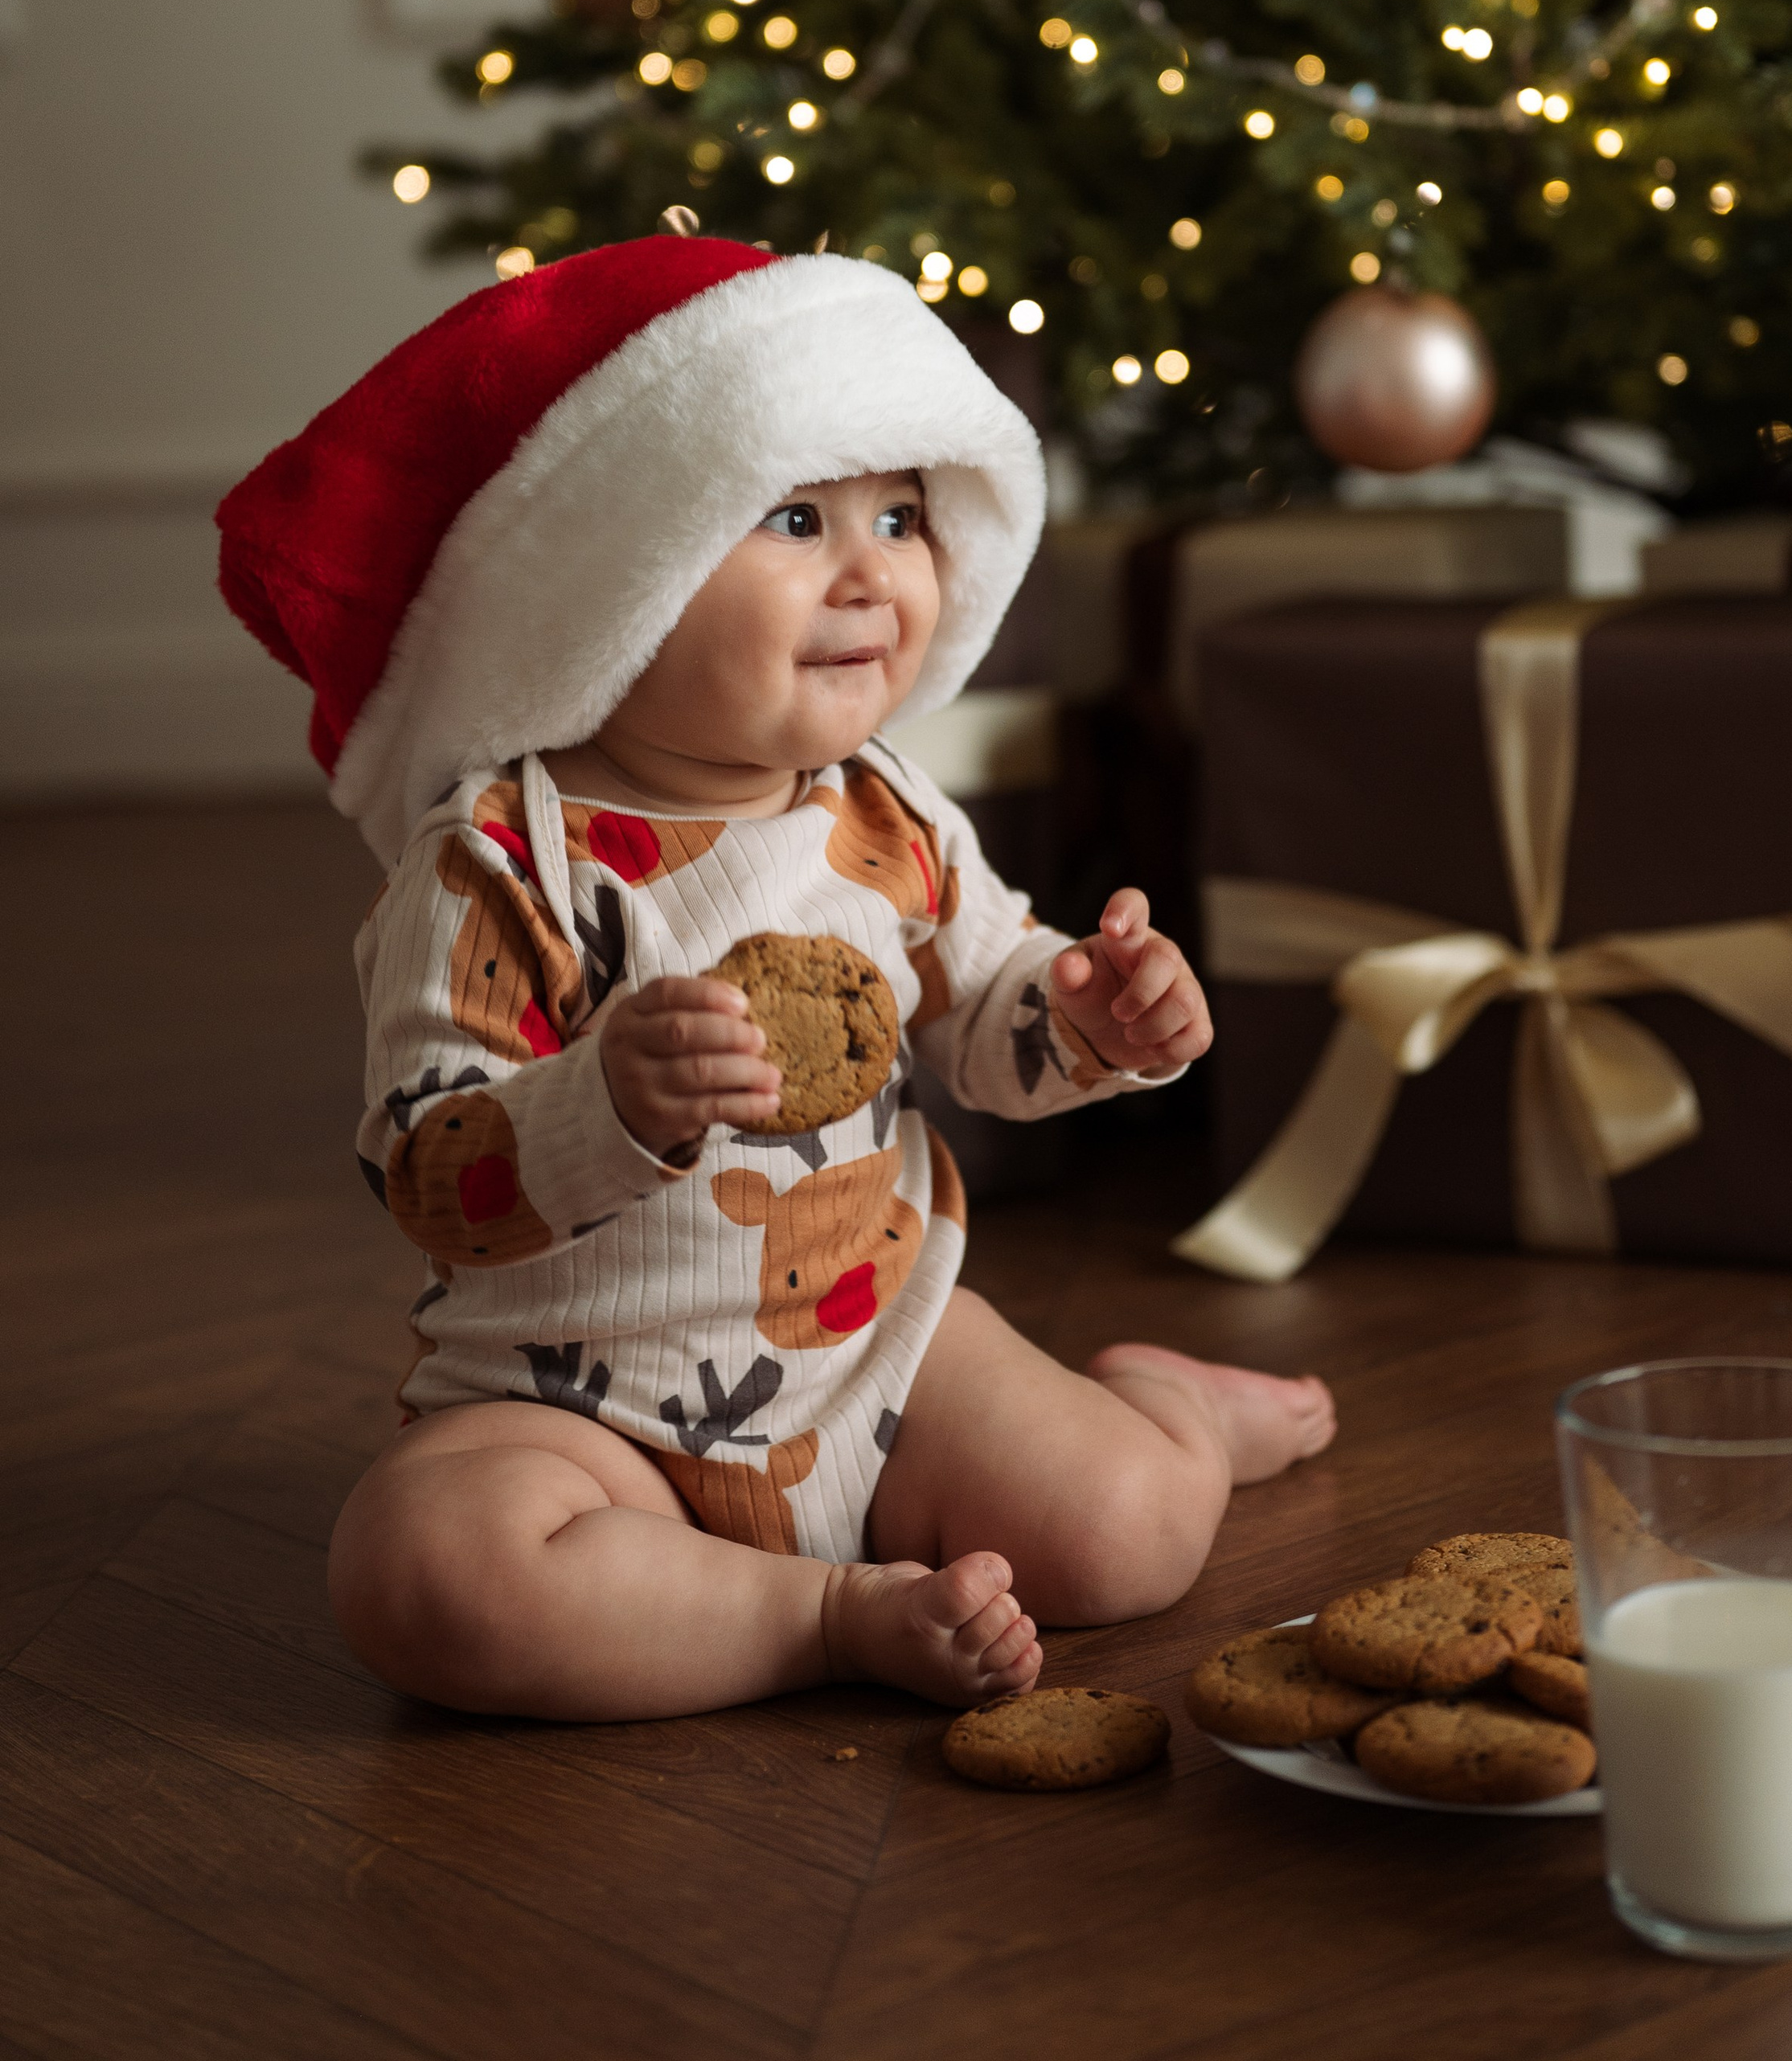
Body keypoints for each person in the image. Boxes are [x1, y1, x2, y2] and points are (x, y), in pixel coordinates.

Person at [218, 228, 1335, 1723]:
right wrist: (600, 1103)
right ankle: (820, 1617)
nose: (875, 573)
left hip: (876, 1343)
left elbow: (986, 1010)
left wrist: (1082, 1017)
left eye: (904, 514)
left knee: (1124, 1533)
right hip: (572, 1405)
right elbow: (430, 1174)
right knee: (427, 1574)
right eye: (800, 516)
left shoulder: (882, 808)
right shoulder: (497, 866)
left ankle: (1174, 1413)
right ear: (608, 580)